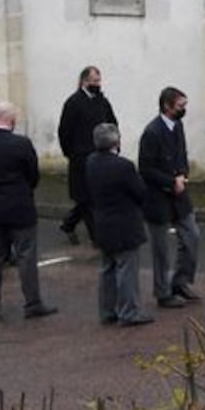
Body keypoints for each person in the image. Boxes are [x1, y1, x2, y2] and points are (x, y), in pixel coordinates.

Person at [0, 102, 58, 319]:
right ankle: (32, 302)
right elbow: (33, 176)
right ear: (12, 120)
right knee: (26, 257)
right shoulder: (22, 144)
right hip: (20, 208)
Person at [138, 86, 203, 308]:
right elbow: (146, 169)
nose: (184, 110)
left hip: (179, 194)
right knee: (161, 249)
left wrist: (183, 174)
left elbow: (182, 154)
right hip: (158, 197)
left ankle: (181, 281)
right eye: (180, 106)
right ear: (167, 106)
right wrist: (170, 181)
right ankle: (162, 292)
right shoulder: (152, 133)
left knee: (191, 235)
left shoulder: (178, 126)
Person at [85, 123, 152, 326]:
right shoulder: (123, 166)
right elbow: (140, 192)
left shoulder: (91, 162)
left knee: (107, 268)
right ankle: (129, 311)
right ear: (116, 141)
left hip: (102, 222)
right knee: (126, 269)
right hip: (124, 224)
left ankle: (107, 310)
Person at [57, 65, 118, 246]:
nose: (97, 84)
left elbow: (112, 123)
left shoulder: (102, 101)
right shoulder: (73, 103)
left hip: (102, 156)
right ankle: (97, 238)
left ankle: (69, 223)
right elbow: (64, 132)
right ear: (84, 81)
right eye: (94, 81)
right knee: (87, 198)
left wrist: (114, 145)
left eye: (99, 80)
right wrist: (72, 153)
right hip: (81, 158)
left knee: (91, 197)